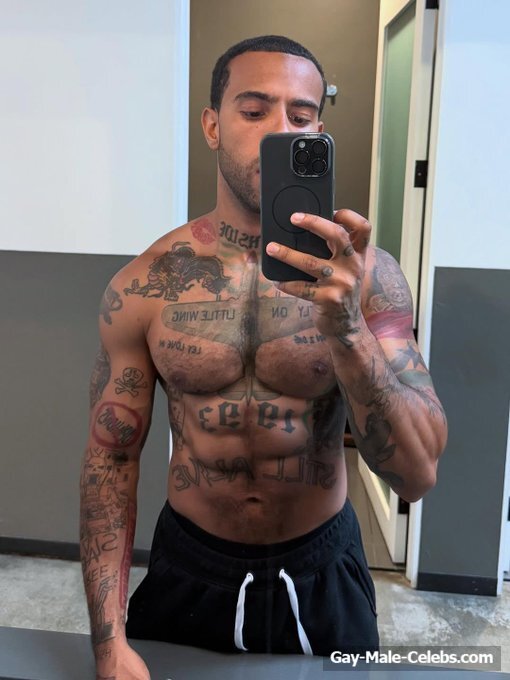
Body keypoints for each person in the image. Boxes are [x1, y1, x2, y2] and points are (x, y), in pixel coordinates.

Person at [79, 35, 447, 679]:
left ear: (318, 132)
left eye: (301, 117)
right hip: (189, 566)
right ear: (213, 125)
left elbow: (416, 476)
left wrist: (348, 330)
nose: (280, 129)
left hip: (323, 568)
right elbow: (110, 463)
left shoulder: (369, 278)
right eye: (254, 111)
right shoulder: (147, 284)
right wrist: (107, 641)